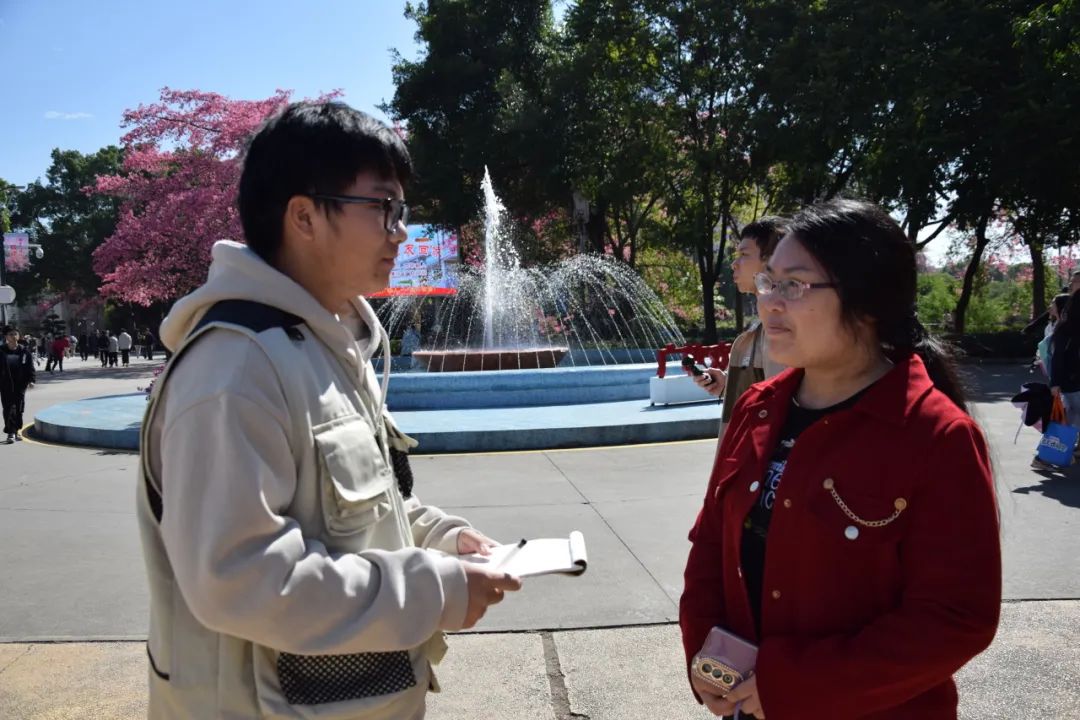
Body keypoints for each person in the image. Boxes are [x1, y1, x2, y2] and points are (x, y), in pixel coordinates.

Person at [137, 101, 522, 719]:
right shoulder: (236, 369)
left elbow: (354, 507)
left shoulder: (324, 345)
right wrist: (435, 589)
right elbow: (240, 579)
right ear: (304, 216)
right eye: (383, 207)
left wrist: (443, 539)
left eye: (402, 211)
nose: (400, 232)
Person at [680, 199, 1000, 719]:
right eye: (768, 282)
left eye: (794, 285)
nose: (769, 303)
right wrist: (705, 655)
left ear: (867, 301)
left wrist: (793, 684)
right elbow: (710, 546)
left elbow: (956, 617)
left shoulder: (936, 436)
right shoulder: (756, 410)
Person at [693, 218, 788, 441]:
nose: (735, 264)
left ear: (772, 261)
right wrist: (727, 385)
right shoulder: (758, 331)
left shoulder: (783, 331)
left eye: (744, 255)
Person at [1, 327, 35, 442]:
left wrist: (31, 380)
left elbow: (30, 367)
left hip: (20, 384)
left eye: (15, 334)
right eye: (11, 334)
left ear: (19, 336)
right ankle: (11, 432)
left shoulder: (24, 351)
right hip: (5, 384)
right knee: (9, 408)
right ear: (6, 337)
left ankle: (16, 431)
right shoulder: (1, 351)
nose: (13, 336)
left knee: (19, 408)